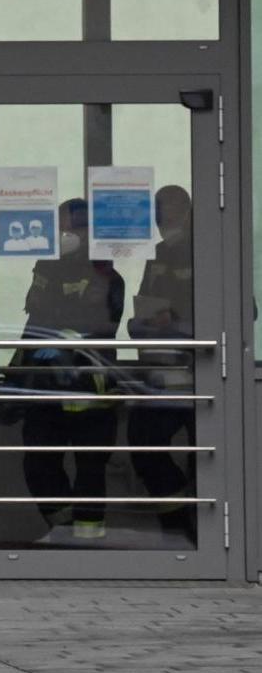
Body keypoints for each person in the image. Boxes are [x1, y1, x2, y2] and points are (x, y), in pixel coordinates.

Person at [14, 198, 127, 544]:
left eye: (71, 228)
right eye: (59, 228)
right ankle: (63, 531)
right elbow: (35, 314)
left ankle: (88, 538)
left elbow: (99, 325)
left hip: (90, 387)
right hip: (45, 386)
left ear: (88, 232)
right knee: (38, 465)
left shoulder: (107, 276)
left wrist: (63, 341)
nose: (64, 234)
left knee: (90, 469)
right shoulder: (46, 269)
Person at [127, 185, 198, 541]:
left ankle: (203, 533)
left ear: (186, 211)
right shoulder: (157, 255)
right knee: (143, 445)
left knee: (206, 453)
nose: (160, 219)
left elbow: (244, 311)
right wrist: (137, 326)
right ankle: (178, 526)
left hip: (202, 375)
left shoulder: (210, 250)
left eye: (167, 211)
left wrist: (179, 325)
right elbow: (146, 305)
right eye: (156, 212)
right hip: (160, 373)